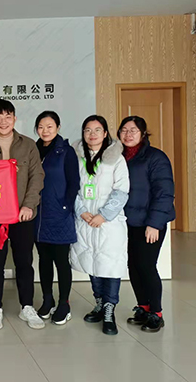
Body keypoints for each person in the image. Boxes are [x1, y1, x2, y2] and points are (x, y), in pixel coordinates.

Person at [0, 99, 45, 330]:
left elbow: (37, 177)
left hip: (23, 214)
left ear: (14, 118)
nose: (3, 122)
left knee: (24, 261)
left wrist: (29, 205)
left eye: (7, 117)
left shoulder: (28, 145)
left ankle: (27, 306)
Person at [71, 115, 129, 336]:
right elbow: (72, 188)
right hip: (85, 220)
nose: (92, 134)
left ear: (105, 134)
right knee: (92, 262)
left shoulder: (116, 159)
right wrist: (81, 211)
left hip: (109, 223)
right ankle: (99, 302)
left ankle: (109, 310)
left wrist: (103, 216)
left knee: (110, 265)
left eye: (97, 130)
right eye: (87, 130)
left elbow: (122, 190)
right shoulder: (77, 157)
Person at [119, 116, 175, 333]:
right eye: (124, 130)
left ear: (143, 133)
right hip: (128, 222)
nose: (128, 134)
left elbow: (164, 192)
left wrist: (154, 223)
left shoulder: (155, 157)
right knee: (133, 265)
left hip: (149, 223)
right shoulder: (118, 157)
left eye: (133, 130)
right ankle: (143, 307)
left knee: (146, 266)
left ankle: (156, 313)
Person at [33, 111, 80, 325]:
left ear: (58, 128)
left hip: (59, 213)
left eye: (49, 126)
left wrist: (65, 206)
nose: (45, 131)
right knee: (44, 260)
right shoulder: (33, 150)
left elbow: (74, 183)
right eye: (41, 127)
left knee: (61, 261)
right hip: (38, 216)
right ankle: (47, 300)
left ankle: (64, 303)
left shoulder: (66, 151)